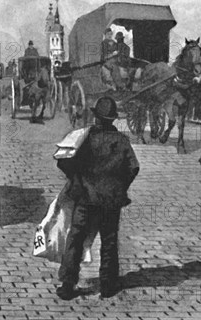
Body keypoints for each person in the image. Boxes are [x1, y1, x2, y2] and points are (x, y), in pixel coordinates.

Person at [56, 96, 140, 300]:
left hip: (85, 197)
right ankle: (108, 285)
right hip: (110, 200)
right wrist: (119, 187)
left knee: (75, 237)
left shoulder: (85, 138)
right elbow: (133, 167)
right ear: (112, 120)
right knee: (109, 241)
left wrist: (77, 180)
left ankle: (68, 284)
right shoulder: (121, 141)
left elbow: (64, 161)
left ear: (96, 118)